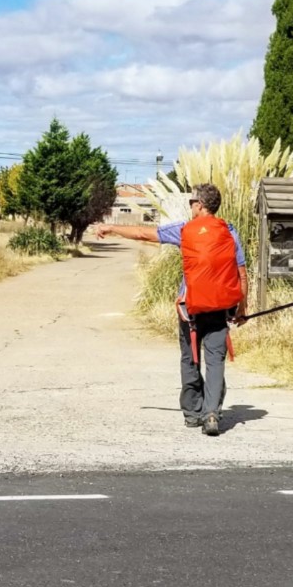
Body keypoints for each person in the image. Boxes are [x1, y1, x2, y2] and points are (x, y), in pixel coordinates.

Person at [94, 183, 245, 435]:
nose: (190, 207)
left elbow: (144, 234)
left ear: (200, 205)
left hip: (189, 308)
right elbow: (242, 272)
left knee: (190, 357)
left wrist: (111, 228)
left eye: (191, 202)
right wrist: (242, 306)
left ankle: (192, 414)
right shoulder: (230, 231)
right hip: (220, 307)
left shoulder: (185, 230)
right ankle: (211, 414)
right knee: (215, 361)